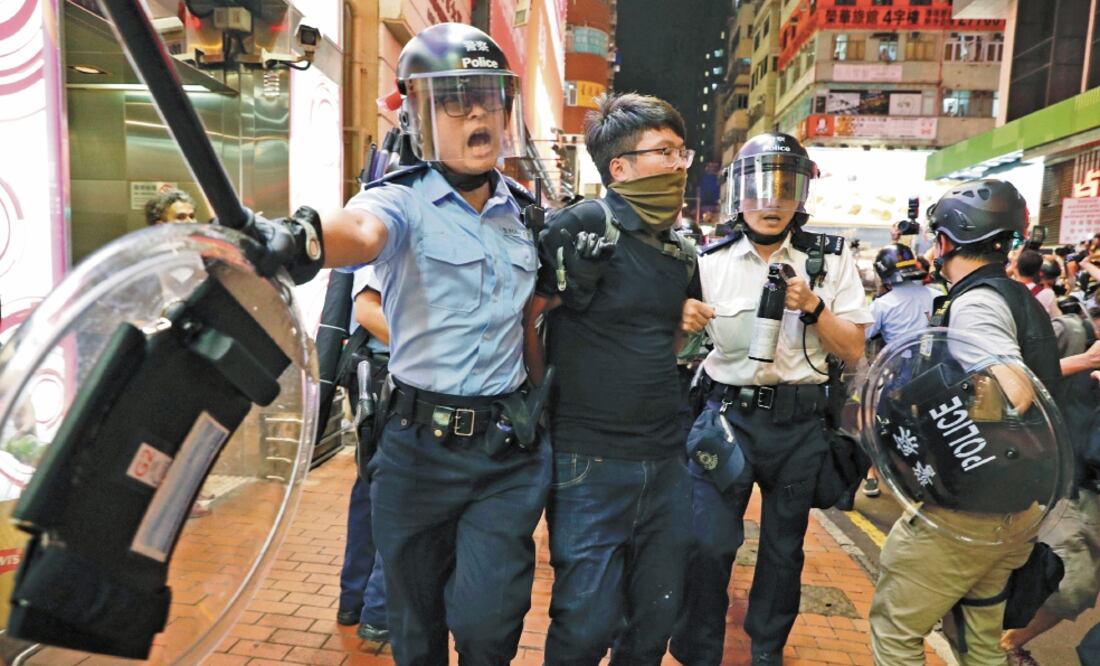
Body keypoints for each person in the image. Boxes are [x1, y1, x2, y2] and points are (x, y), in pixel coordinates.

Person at [319, 23, 551, 665]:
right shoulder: (398, 201)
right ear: (419, 114)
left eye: (488, 96)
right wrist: (306, 236)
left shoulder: (528, 215)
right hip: (417, 452)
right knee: (414, 629)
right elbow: (360, 232)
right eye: (454, 98)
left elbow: (536, 323)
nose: (477, 111)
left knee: (488, 622)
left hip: (505, 453)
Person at [671, 132, 871, 666]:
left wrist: (814, 307)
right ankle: (698, 651)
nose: (771, 201)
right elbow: (674, 345)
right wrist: (681, 321)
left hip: (800, 427)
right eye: (760, 187)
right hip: (726, 421)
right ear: (739, 194)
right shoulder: (708, 262)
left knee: (784, 552)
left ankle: (767, 651)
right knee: (709, 543)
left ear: (800, 197)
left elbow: (853, 349)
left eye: (785, 188)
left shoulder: (830, 260)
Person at [530, 92, 699, 665]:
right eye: (665, 152)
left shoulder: (679, 250)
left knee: (655, 622)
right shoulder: (583, 227)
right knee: (585, 625)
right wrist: (537, 403)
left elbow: (669, 345)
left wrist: (683, 323)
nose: (678, 165)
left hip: (667, 460)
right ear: (619, 168)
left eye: (682, 153)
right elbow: (529, 315)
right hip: (589, 462)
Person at [868, 179, 1062, 666]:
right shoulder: (1017, 296)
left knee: (895, 631)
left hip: (969, 507)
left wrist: (950, 404)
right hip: (1015, 506)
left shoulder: (975, 304)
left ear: (947, 240)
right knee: (980, 643)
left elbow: (1016, 391)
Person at [336, 267, 389, 643]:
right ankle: (374, 608)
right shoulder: (392, 216)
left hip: (384, 371)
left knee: (372, 486)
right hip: (387, 373)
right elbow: (368, 311)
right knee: (387, 488)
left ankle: (357, 600)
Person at [862, 242, 935, 497]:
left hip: (897, 374)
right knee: (927, 427)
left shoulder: (883, 305)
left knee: (878, 424)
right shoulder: (934, 294)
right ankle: (922, 480)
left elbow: (862, 336)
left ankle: (871, 473)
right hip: (933, 374)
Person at [1014, 249, 1055, 314]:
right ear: (1039, 271)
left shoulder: (1006, 291)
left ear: (1017, 266)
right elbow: (1056, 318)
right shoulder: (1048, 294)